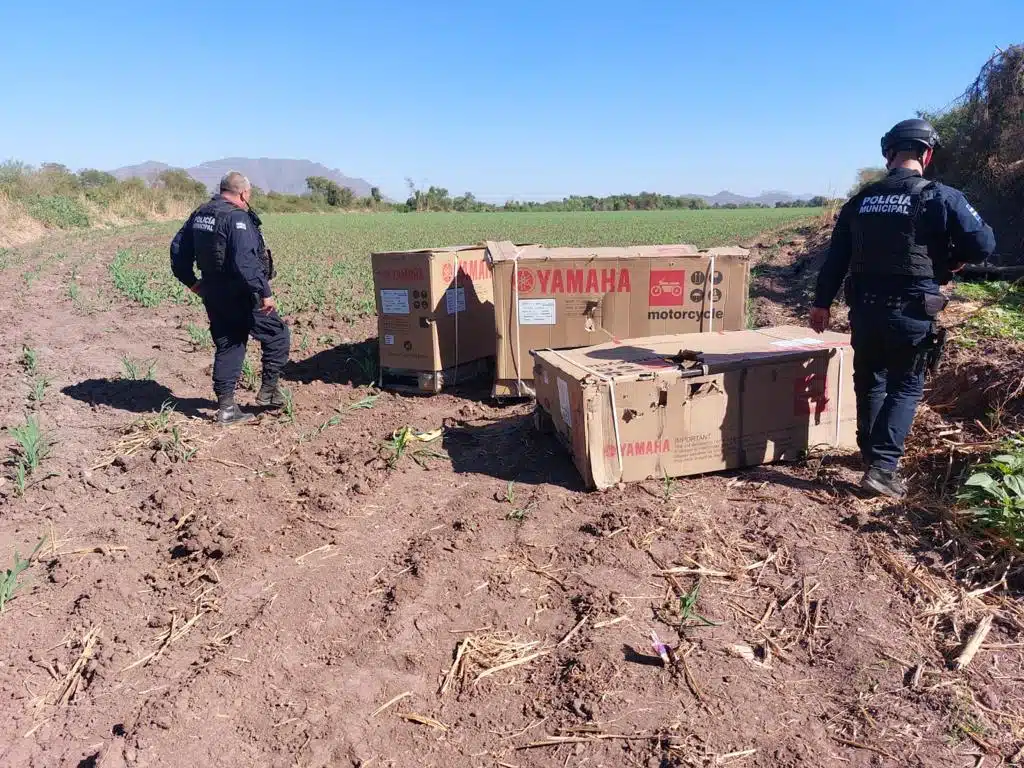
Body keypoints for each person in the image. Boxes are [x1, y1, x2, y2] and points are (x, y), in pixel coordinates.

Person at [810, 118, 996, 498]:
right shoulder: (942, 196)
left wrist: (820, 304)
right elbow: (983, 245)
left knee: (871, 380)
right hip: (911, 312)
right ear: (926, 154)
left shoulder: (859, 201)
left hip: (864, 310)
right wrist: (953, 259)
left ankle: (870, 455)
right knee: (906, 386)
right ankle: (882, 468)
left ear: (888, 153)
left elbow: (835, 259)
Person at [170, 171, 290, 425]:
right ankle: (269, 392)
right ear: (244, 193)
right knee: (277, 334)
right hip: (242, 293)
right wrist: (264, 293)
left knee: (229, 343)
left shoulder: (201, 214)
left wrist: (192, 282)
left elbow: (178, 250)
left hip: (213, 291)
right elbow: (245, 262)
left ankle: (226, 408)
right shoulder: (236, 217)